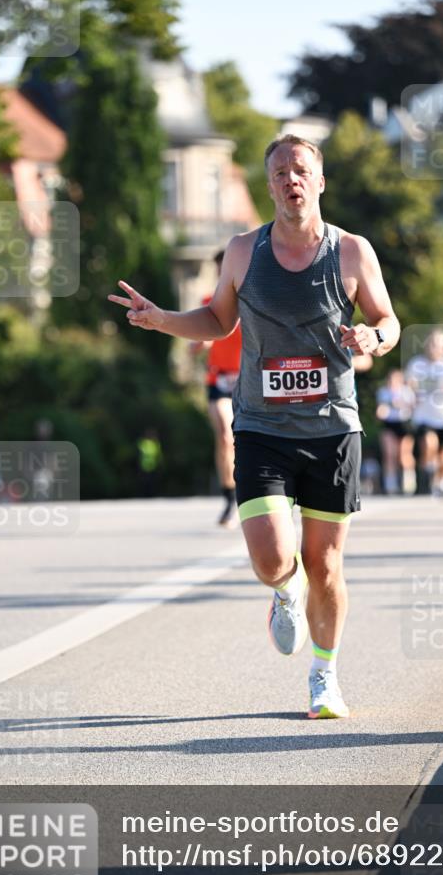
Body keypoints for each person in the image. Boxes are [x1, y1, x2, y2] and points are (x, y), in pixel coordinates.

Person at [108, 134, 400, 719]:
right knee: (273, 561)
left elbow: (389, 321)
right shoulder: (242, 251)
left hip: (332, 428)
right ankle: (283, 592)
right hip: (263, 427)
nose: (291, 180)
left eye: (301, 170)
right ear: (269, 186)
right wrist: (162, 320)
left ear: (319, 182)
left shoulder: (352, 253)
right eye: (280, 172)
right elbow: (218, 321)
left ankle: (325, 676)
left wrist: (374, 336)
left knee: (326, 564)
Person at [190, 249, 242, 528]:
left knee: (247, 439)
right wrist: (199, 343)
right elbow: (196, 341)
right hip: (219, 380)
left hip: (249, 380)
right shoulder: (209, 303)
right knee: (224, 434)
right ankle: (229, 497)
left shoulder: (251, 303)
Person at [405, 328, 443, 495]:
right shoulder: (416, 364)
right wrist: (413, 394)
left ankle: (442, 481)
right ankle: (427, 472)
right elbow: (409, 385)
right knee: (429, 443)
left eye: (437, 344)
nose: (432, 347)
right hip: (424, 416)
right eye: (430, 343)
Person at [375, 369, 415, 494]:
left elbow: (413, 407)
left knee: (404, 455)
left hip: (404, 424)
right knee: (389, 454)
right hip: (389, 424)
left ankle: (409, 483)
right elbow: (381, 410)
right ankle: (390, 484)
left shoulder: (407, 392)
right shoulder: (383, 392)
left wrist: (400, 404)